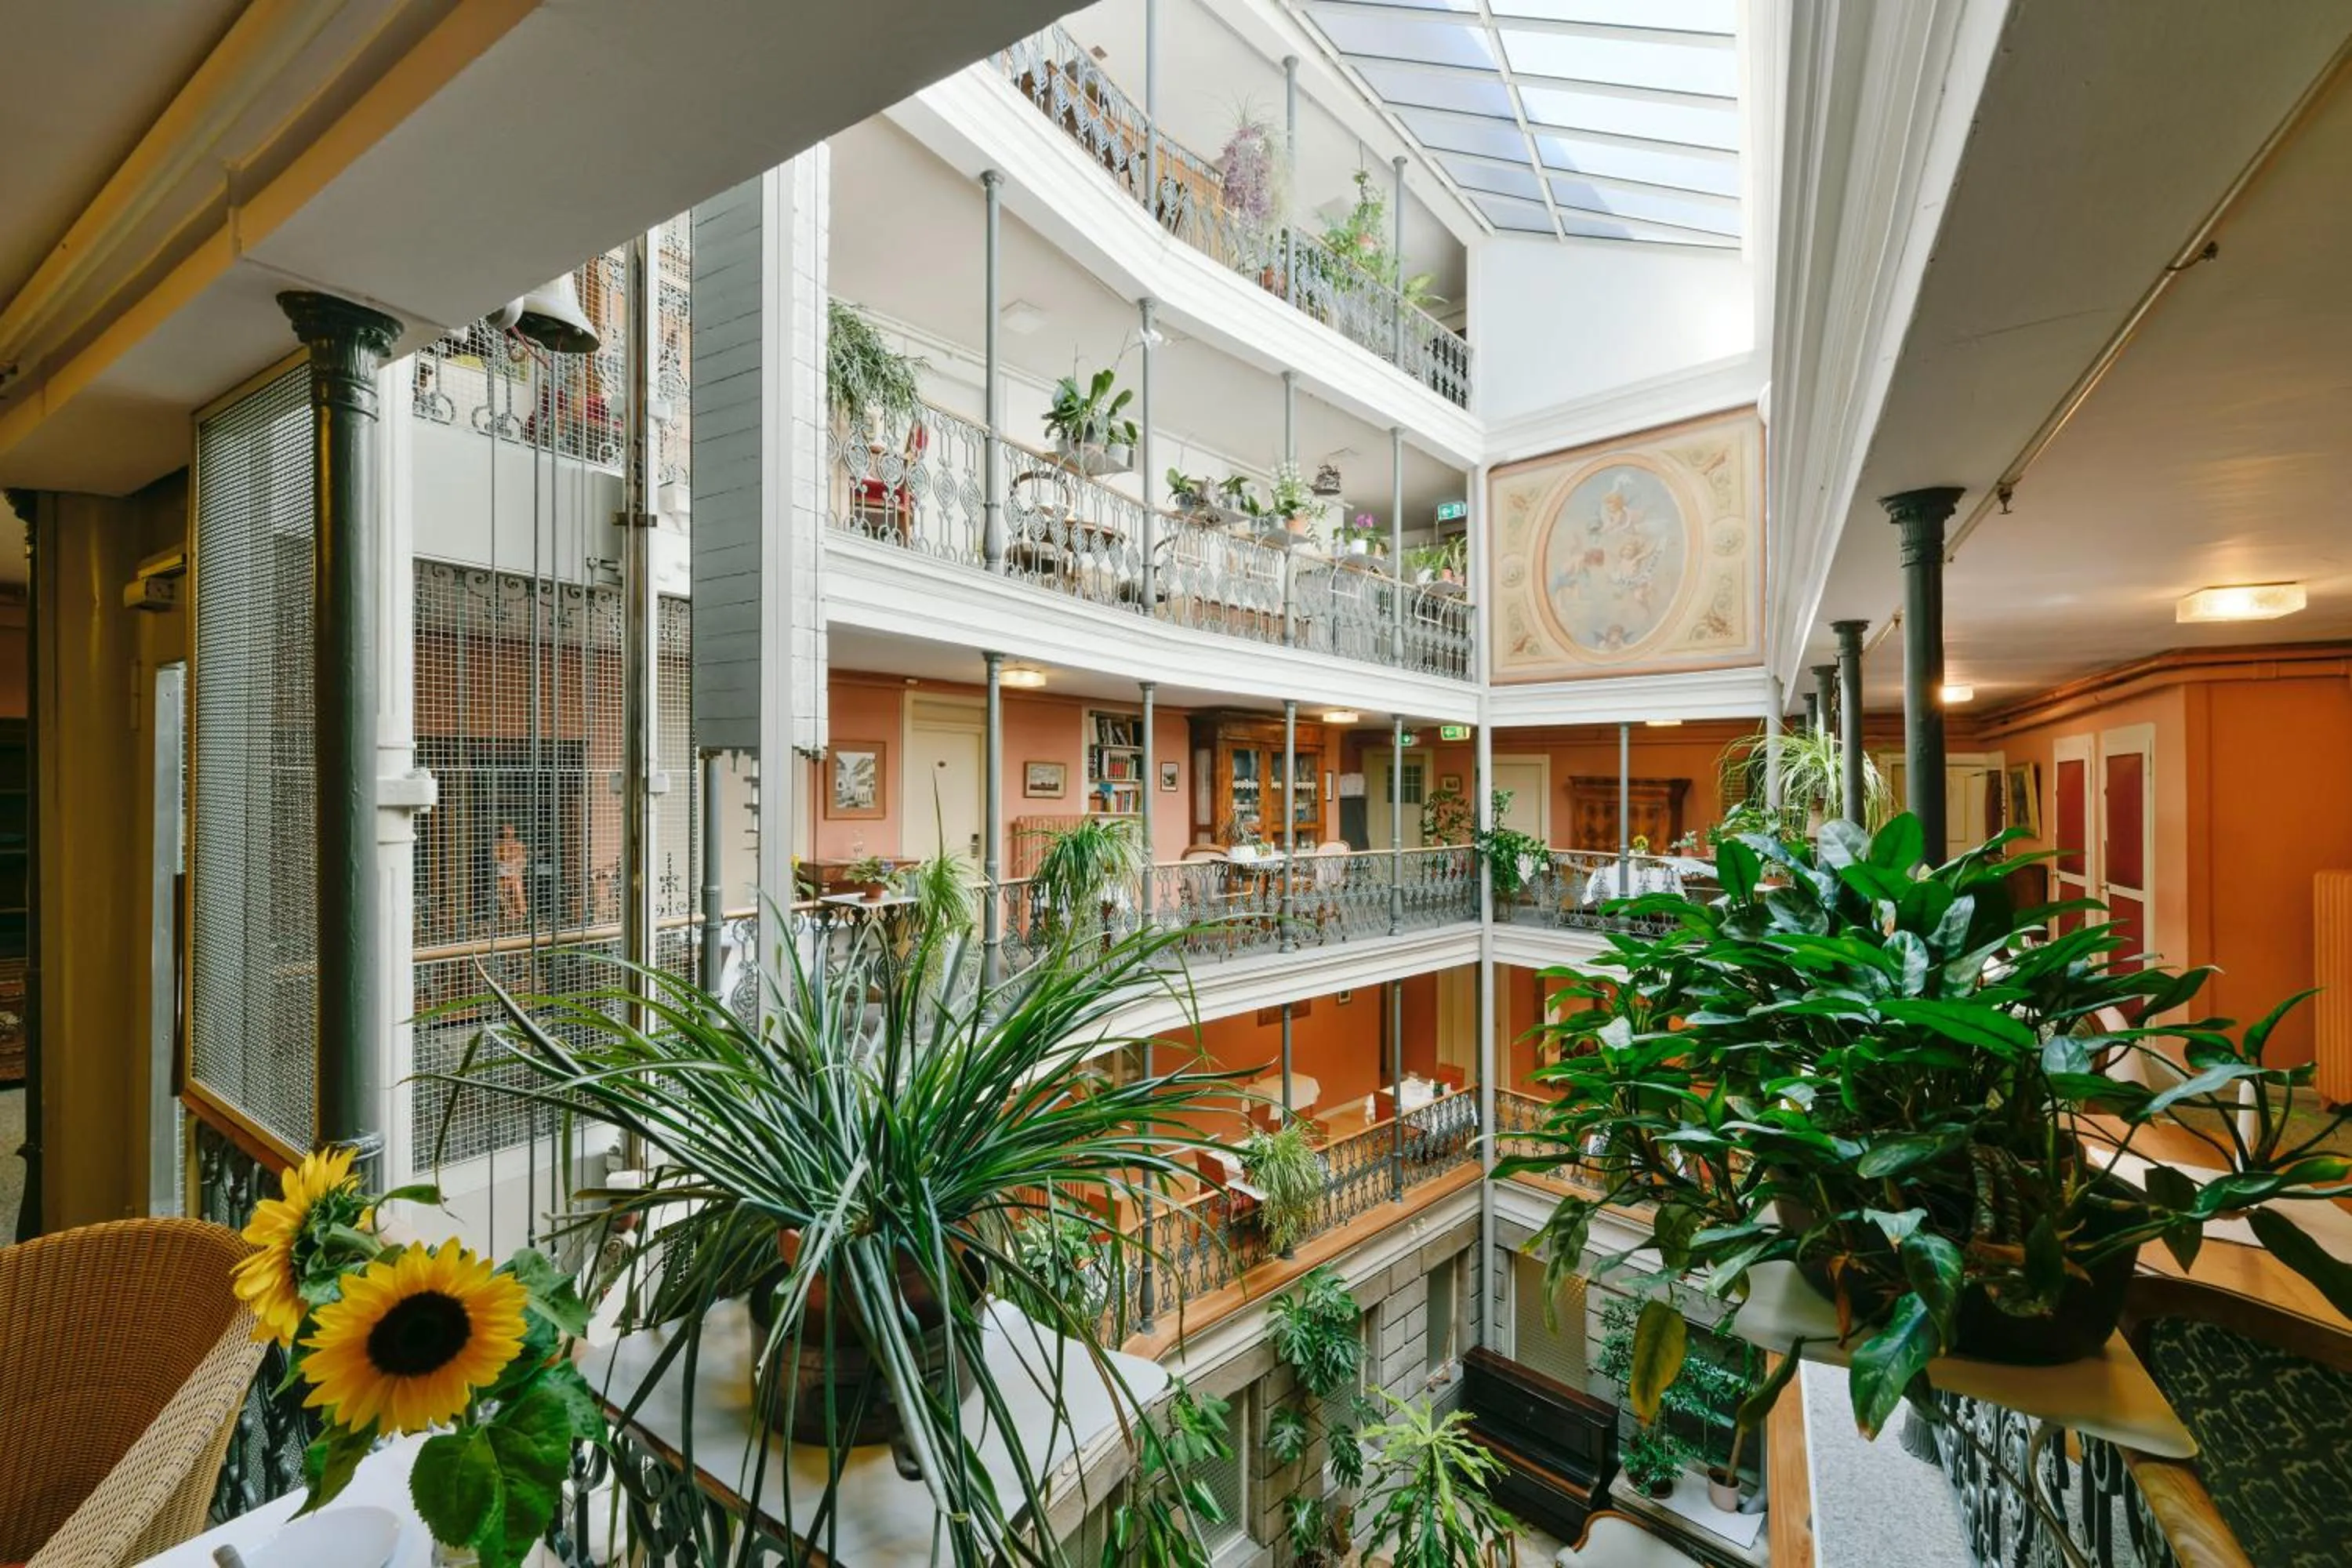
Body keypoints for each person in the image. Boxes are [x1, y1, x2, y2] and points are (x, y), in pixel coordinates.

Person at [494, 822, 528, 924]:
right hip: (503, 872)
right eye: (506, 828)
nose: (508, 831)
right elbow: (496, 860)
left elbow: (523, 860)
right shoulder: (498, 845)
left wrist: (517, 867)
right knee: (504, 886)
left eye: (510, 828)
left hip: (515, 873)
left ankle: (521, 912)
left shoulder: (519, 845)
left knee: (517, 885)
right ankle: (508, 913)